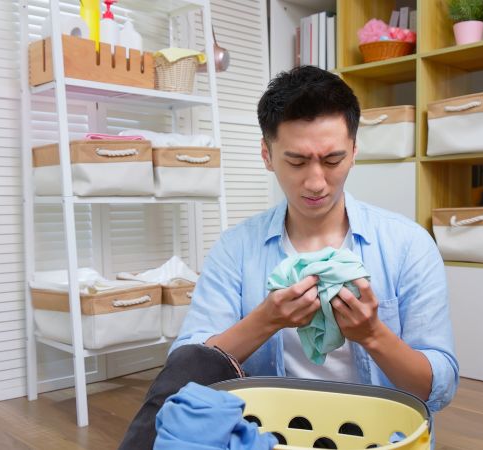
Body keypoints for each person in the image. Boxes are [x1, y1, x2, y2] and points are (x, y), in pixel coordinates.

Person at [119, 65, 458, 449]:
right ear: (267, 155)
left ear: (354, 151)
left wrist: (373, 335)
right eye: (296, 162)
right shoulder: (235, 249)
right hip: (268, 436)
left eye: (332, 160)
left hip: (377, 437)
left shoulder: (408, 246)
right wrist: (267, 319)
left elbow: (438, 389)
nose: (315, 182)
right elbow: (189, 368)